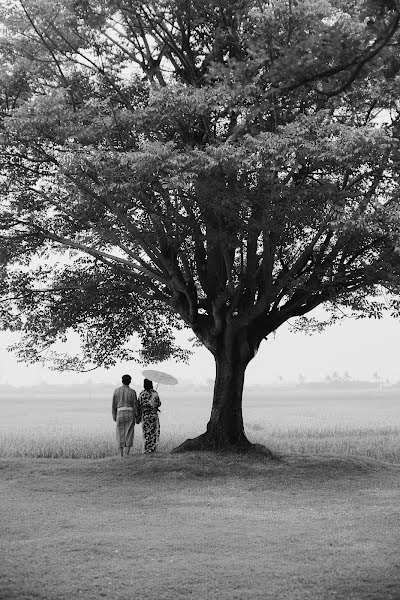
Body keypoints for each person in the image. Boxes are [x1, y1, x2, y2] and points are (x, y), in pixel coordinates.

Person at [112, 374, 138, 457]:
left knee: (120, 433)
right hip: (130, 413)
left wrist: (114, 416)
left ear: (122, 380)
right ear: (130, 382)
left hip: (120, 413)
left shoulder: (116, 391)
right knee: (130, 432)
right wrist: (137, 416)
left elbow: (114, 405)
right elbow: (135, 405)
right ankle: (127, 453)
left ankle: (121, 454)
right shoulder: (133, 392)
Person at [137, 378, 161, 453]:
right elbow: (159, 403)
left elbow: (139, 404)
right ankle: (153, 449)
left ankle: (146, 449)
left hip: (145, 415)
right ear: (151, 384)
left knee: (146, 432)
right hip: (153, 415)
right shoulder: (155, 393)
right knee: (154, 432)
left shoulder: (142, 393)